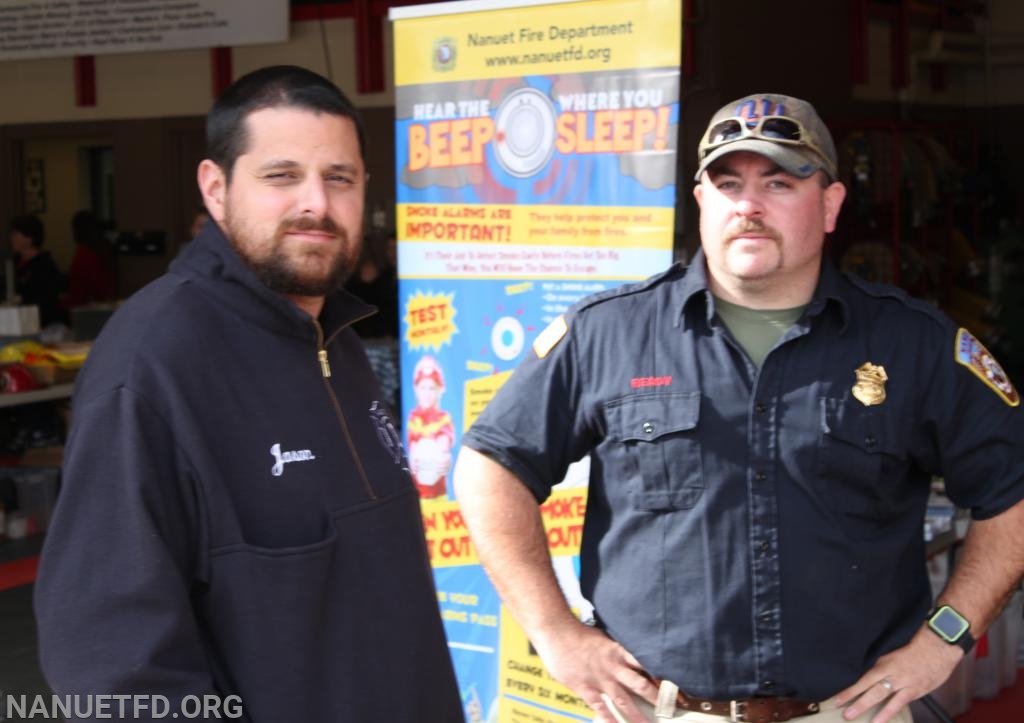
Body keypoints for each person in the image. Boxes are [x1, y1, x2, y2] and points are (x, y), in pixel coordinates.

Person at [453, 93, 1024, 723]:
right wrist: (555, 633)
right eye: (728, 184)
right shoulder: (607, 334)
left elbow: (1013, 493)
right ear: (702, 202)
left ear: (830, 205)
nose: (749, 207)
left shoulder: (912, 344)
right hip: (664, 712)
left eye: (779, 182)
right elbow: (489, 468)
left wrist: (944, 640)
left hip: (854, 713)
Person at [35, 65, 464, 722]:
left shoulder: (335, 336)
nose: (315, 203)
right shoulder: (151, 368)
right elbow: (113, 669)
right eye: (281, 175)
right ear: (216, 187)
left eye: (339, 178)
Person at [407, 354, 455, 499]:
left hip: (438, 493)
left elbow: (445, 444)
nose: (426, 394)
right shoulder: (413, 418)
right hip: (418, 493)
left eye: (432, 388)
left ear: (440, 390)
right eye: (423, 388)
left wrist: (446, 460)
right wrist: (412, 460)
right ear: (415, 389)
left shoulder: (443, 418)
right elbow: (413, 445)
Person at [8, 213, 64, 327]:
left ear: (29, 238)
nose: (11, 238)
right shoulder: (13, 264)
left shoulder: (45, 266)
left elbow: (47, 303)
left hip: (40, 324)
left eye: (15, 234)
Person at [63, 209, 117, 308]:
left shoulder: (84, 253)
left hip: (88, 307)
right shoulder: (103, 248)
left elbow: (82, 288)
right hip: (106, 304)